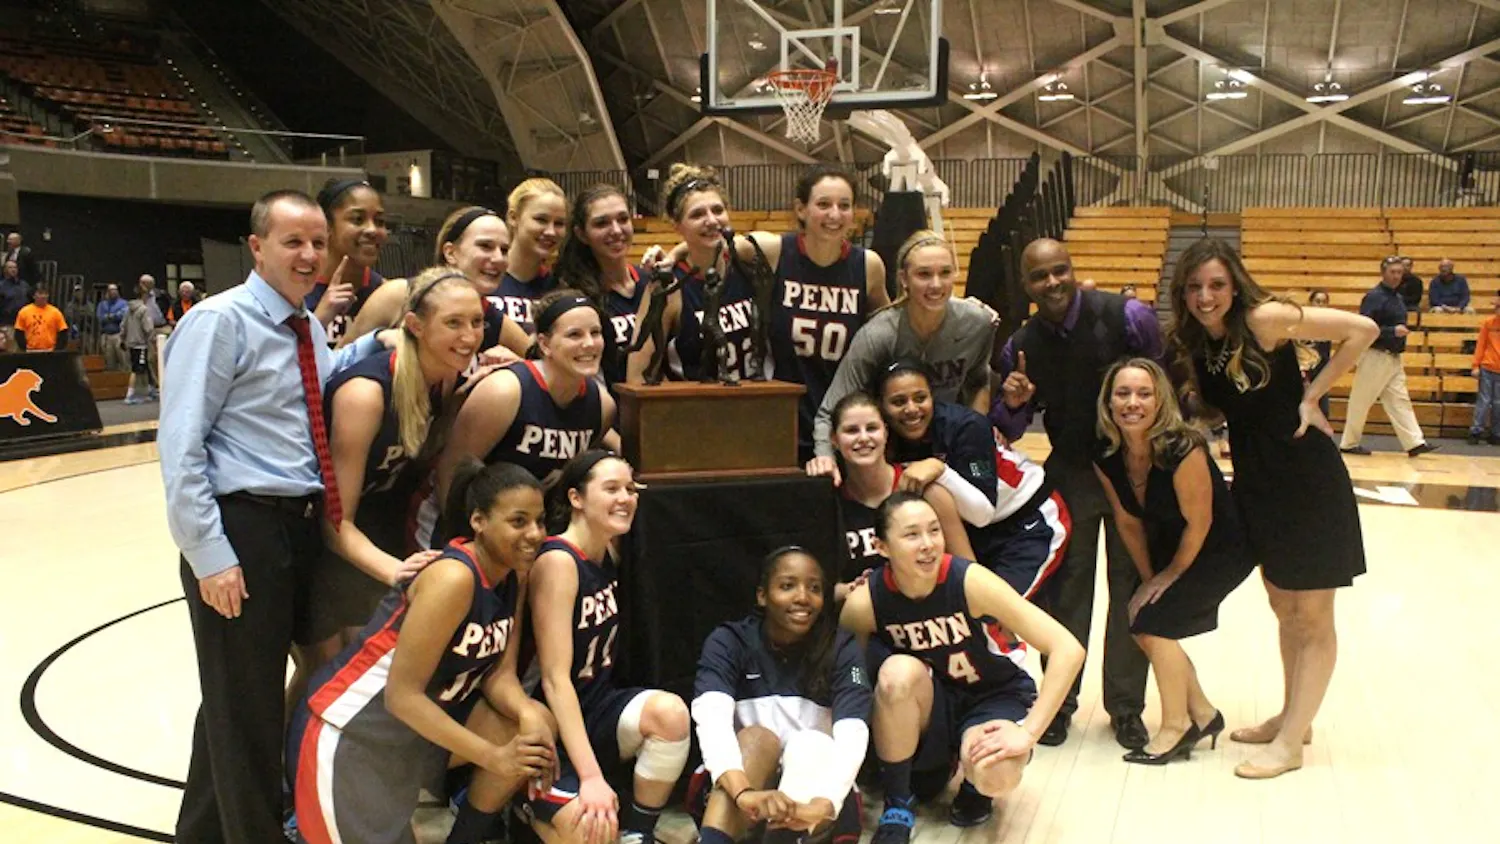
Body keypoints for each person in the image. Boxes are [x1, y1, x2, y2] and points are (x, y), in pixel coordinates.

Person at [157, 189, 391, 844]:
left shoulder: (304, 326)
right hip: (243, 527)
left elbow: (318, 386)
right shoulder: (219, 321)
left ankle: (202, 834)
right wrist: (211, 553)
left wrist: (390, 335)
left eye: (318, 241)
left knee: (240, 700)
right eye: (293, 241)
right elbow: (179, 446)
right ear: (256, 247)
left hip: (292, 525)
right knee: (249, 709)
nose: (310, 254)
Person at [1170, 237, 1377, 779]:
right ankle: (1294, 717)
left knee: (1312, 614)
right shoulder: (1203, 342)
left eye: (1215, 284)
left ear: (1234, 284)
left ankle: (1289, 746)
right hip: (1258, 481)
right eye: (1194, 287)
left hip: (1305, 477)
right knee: (1284, 606)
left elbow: (1364, 330)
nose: (1205, 296)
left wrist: (1313, 397)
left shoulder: (1265, 318)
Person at [289, 459, 557, 844]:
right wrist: (492, 756)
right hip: (347, 737)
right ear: (479, 521)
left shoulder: (511, 574)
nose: (534, 534)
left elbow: (500, 673)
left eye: (540, 520)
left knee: (530, 727)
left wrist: (528, 712)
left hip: (399, 748)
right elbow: (402, 697)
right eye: (518, 521)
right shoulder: (454, 578)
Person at [988, 237, 1159, 749]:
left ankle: (1127, 708)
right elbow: (1009, 427)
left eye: (1059, 271)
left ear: (1072, 269)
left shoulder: (1127, 317)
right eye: (1040, 276)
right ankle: (1058, 703)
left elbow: (1160, 385)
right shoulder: (1021, 344)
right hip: (1071, 475)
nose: (1053, 282)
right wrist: (1014, 403)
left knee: (1132, 593)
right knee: (1068, 596)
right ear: (1027, 285)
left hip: (1132, 470)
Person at [290, 268, 487, 707]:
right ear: (414, 326)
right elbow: (333, 520)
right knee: (325, 680)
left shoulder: (448, 379)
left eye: (476, 322)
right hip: (321, 544)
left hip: (375, 534)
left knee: (362, 683)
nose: (470, 335)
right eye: (453, 323)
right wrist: (395, 571)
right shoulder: (365, 393)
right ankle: (290, 772)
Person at [840, 493, 1084, 841]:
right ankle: (898, 801)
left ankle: (974, 785)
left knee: (997, 771)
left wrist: (1029, 732)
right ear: (881, 546)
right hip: (931, 702)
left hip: (991, 693)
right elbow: (849, 678)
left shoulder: (970, 581)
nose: (927, 544)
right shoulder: (864, 604)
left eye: (934, 531)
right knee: (895, 674)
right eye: (912, 535)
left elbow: (1067, 649)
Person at [521, 451, 691, 844]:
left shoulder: (609, 549)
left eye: (631, 489)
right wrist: (591, 777)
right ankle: (516, 806)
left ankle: (639, 833)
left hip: (595, 707)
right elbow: (553, 680)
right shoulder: (559, 561)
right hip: (547, 727)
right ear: (576, 498)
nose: (626, 498)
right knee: (592, 832)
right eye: (611, 488)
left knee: (671, 714)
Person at [1092, 358, 1254, 764]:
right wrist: (1150, 580)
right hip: (1173, 546)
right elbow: (1128, 522)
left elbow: (1201, 523)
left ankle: (1176, 726)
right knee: (1144, 617)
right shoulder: (1107, 453)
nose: (1133, 402)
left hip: (1219, 549)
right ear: (1108, 402)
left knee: (1152, 624)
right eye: (1123, 394)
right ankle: (1203, 713)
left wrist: (1169, 576)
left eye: (1144, 394)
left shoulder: (1185, 447)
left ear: (1160, 400)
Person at [690, 547, 871, 844]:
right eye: (788, 586)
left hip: (815, 798)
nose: (803, 597)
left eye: (814, 588)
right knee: (757, 739)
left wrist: (826, 803)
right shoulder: (729, 641)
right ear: (762, 596)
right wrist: (743, 793)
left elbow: (854, 734)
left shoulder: (842, 648)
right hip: (738, 788)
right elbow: (711, 721)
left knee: (809, 744)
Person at [874, 359, 1069, 606]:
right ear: (881, 406)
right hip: (976, 531)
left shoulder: (966, 426)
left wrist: (940, 469)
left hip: (1030, 521)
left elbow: (982, 513)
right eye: (898, 402)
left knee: (1000, 612)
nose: (912, 409)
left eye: (920, 398)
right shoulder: (884, 436)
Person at [739, 165, 891, 459]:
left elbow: (889, 330)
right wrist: (672, 252)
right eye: (823, 204)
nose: (834, 215)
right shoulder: (775, 251)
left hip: (843, 423)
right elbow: (717, 245)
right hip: (781, 419)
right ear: (801, 209)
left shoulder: (868, 266)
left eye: (844, 206)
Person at [809, 231, 995, 470]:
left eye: (945, 273)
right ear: (903, 279)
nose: (936, 284)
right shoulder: (879, 334)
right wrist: (825, 458)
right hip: (890, 450)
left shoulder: (978, 323)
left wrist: (976, 434)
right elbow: (831, 409)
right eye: (924, 274)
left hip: (947, 445)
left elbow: (979, 380)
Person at [436, 289, 619, 511]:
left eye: (595, 332)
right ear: (544, 344)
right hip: (462, 518)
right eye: (575, 335)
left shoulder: (602, 405)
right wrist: (460, 538)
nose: (590, 343)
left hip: (532, 523)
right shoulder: (504, 391)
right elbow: (452, 470)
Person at [815, 391, 975, 599]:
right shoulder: (828, 499)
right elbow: (818, 589)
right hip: (863, 619)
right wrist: (850, 590)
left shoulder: (926, 489)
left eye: (872, 428)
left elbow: (971, 575)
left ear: (886, 433)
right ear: (834, 440)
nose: (863, 438)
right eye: (852, 430)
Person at [627, 164, 762, 384]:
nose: (711, 220)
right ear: (677, 226)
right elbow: (637, 376)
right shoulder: (667, 287)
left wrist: (677, 251)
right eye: (697, 214)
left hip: (757, 406)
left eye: (717, 210)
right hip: (696, 411)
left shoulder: (748, 259)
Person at [347, 205, 531, 361]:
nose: (498, 258)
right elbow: (338, 363)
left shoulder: (494, 319)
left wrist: (518, 368)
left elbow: (542, 369)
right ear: (450, 253)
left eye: (505, 250)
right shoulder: (398, 295)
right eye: (485, 246)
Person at [553, 185, 653, 389]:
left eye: (623, 219)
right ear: (581, 234)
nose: (616, 230)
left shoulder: (651, 283)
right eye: (602, 223)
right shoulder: (575, 297)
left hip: (659, 407)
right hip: (606, 412)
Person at [1339, 256, 1438, 457]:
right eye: (1392, 272)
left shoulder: (1398, 298)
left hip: (1393, 356)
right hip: (1375, 354)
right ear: (1383, 273)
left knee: (1399, 399)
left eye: (1399, 272)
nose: (1396, 276)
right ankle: (1349, 442)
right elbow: (1364, 327)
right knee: (1362, 399)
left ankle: (1414, 442)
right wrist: (1391, 332)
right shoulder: (1374, 297)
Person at [308, 179, 389, 344]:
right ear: (326, 226)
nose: (372, 230)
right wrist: (317, 321)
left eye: (379, 221)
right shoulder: (295, 294)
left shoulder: (388, 294)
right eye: (358, 219)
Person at [496, 178, 566, 334]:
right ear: (513, 217)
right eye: (541, 220)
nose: (551, 232)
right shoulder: (485, 279)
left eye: (559, 223)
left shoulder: (560, 289)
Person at [1470, 295, 1500, 445]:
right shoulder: (1488, 324)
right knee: (1484, 400)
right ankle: (1476, 431)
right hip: (1487, 367)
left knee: (1498, 403)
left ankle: (1496, 433)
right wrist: (1475, 365)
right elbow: (1480, 346)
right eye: (1497, 308)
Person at [123, 291, 157, 403]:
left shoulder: (128, 310)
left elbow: (123, 326)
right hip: (140, 343)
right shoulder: (144, 309)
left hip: (131, 343)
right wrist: (151, 337)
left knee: (145, 366)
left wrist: (123, 338)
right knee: (136, 369)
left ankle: (150, 389)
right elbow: (147, 327)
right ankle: (130, 394)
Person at [1305, 289, 1333, 419]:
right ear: (1311, 303)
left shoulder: (1329, 325)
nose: (1321, 305)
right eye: (1317, 301)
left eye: (1324, 302)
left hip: (1322, 371)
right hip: (1306, 372)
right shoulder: (1303, 324)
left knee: (1323, 409)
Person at [15, 285, 67, 351]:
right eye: (40, 293)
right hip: (30, 350)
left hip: (50, 350)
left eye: (46, 294)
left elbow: (63, 331)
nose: (43, 296)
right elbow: (19, 331)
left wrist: (57, 349)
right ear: (33, 296)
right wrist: (24, 348)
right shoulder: (24, 311)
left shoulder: (55, 312)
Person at [97, 283, 128, 370]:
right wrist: (113, 316)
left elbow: (123, 315)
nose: (113, 292)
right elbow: (100, 317)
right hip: (106, 335)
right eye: (111, 290)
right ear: (107, 292)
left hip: (119, 335)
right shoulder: (102, 304)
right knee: (109, 362)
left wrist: (111, 316)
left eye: (115, 290)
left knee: (123, 360)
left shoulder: (123, 303)